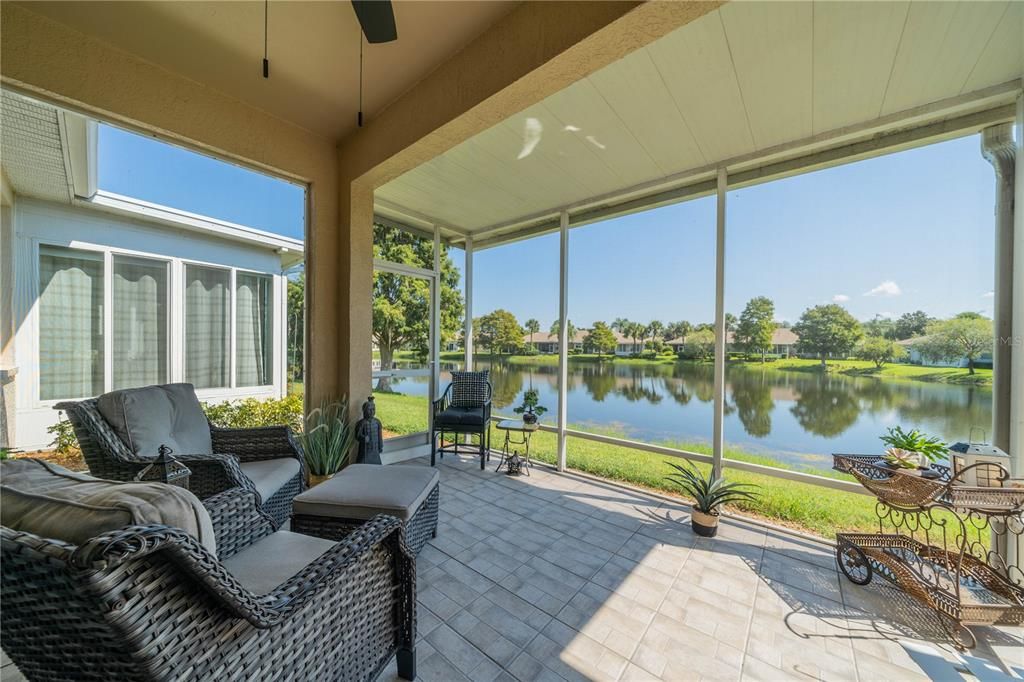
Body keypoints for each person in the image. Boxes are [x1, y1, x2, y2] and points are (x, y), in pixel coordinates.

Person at [355, 396, 383, 465]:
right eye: (369, 410)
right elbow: (357, 435)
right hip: (365, 451)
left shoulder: (377, 422)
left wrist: (380, 446)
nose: (372, 412)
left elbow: (380, 436)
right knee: (362, 466)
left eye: (373, 409)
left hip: (375, 450)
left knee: (377, 466)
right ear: (364, 411)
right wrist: (363, 438)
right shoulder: (361, 423)